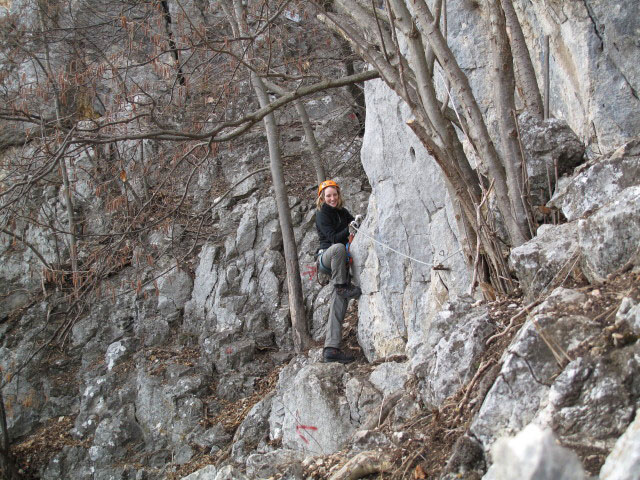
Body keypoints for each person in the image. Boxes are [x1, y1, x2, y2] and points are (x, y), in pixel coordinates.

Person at [315, 180, 362, 364]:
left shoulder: (342, 212)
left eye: (334, 195)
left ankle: (331, 349)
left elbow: (352, 225)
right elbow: (334, 238)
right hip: (327, 257)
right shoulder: (321, 214)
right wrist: (349, 228)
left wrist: (357, 223)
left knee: (339, 300)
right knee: (338, 248)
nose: (332, 198)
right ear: (322, 198)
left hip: (339, 263)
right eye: (328, 196)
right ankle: (342, 285)